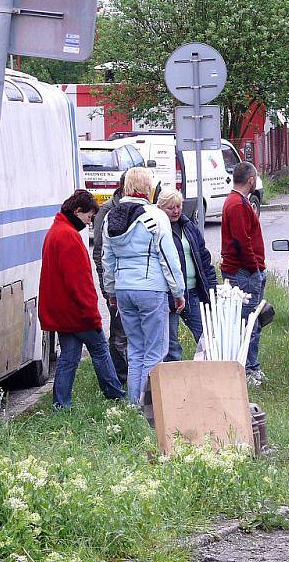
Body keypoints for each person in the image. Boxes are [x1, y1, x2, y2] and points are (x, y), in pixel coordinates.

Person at [101, 168, 185, 405]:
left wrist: (111, 291)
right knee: (156, 351)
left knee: (135, 349)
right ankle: (151, 406)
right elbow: (168, 258)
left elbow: (107, 259)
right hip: (151, 288)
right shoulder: (155, 216)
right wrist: (178, 292)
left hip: (124, 289)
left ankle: (134, 404)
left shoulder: (111, 218)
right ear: (148, 188)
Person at [39, 190, 126, 409]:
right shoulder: (68, 236)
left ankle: (61, 404)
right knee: (100, 351)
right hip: (78, 313)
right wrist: (92, 314)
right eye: (89, 216)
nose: (89, 222)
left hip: (63, 312)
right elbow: (79, 282)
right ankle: (115, 395)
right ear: (78, 211)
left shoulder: (56, 230)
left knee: (68, 358)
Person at [157, 188, 218, 361]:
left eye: (178, 206)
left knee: (206, 337)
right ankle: (172, 381)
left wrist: (211, 288)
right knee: (171, 344)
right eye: (170, 208)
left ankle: (210, 373)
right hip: (170, 296)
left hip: (193, 293)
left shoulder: (189, 227)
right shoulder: (159, 230)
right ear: (160, 208)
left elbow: (204, 258)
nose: (176, 211)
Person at [221, 162, 267, 386]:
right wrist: (254, 267)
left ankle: (250, 365)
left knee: (250, 320)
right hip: (243, 271)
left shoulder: (235, 201)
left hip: (241, 269)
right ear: (250, 180)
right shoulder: (238, 204)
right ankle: (248, 368)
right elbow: (242, 240)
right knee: (248, 322)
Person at [92, 173, 128, 386]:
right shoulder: (106, 211)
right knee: (119, 331)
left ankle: (131, 374)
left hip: (133, 283)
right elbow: (100, 251)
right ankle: (119, 377)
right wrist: (106, 286)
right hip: (114, 281)